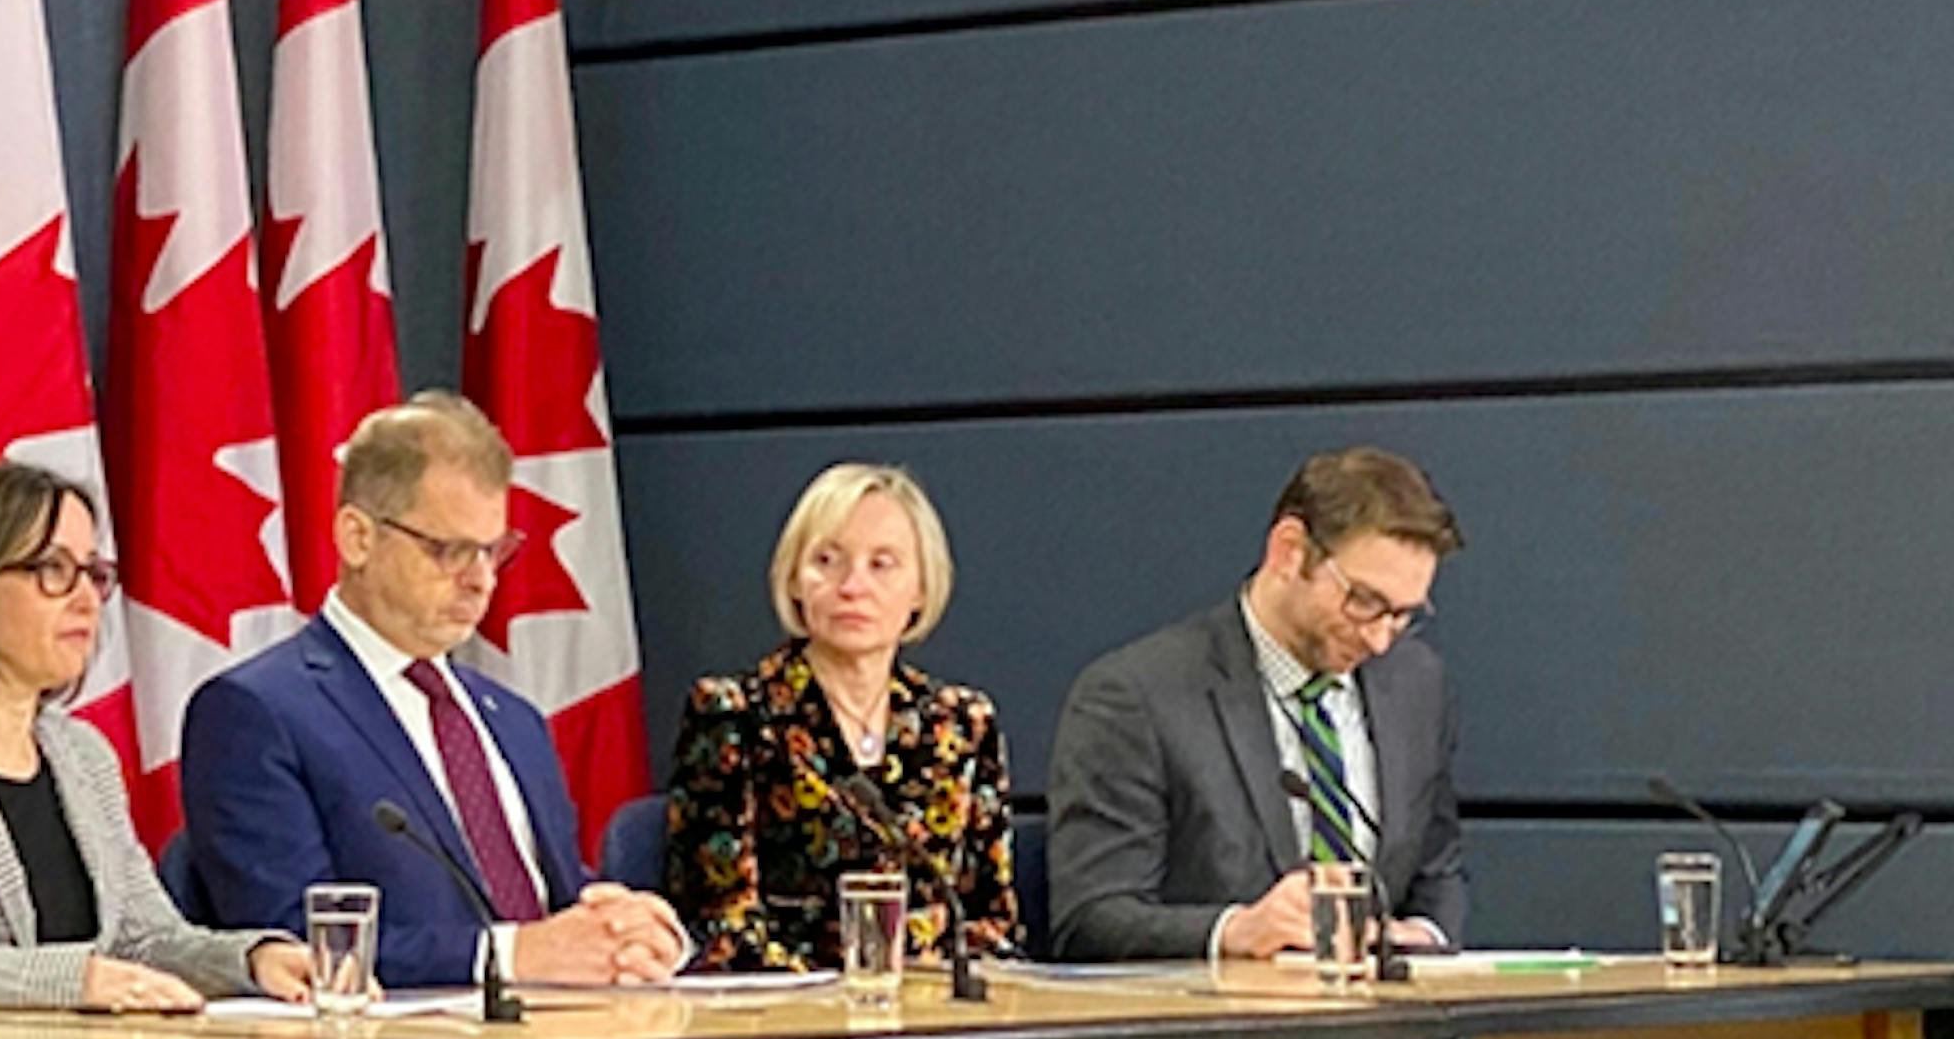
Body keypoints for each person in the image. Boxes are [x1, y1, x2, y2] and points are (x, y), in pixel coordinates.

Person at [178, 393, 686, 989]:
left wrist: (625, 934)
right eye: (448, 550)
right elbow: (295, 942)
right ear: (357, 537)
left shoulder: (512, 720)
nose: (480, 579)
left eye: (494, 551)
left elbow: (547, 906)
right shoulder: (256, 712)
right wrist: (507, 957)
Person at [0, 461, 315, 1012]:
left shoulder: (83, 755)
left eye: (93, 573)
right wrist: (71, 980)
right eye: (54, 570)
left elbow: (146, 940)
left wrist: (252, 959)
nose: (86, 599)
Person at [1045, 447, 1470, 961]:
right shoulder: (1136, 697)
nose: (1380, 639)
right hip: (1213, 1032)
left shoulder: (1416, 684)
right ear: (1289, 551)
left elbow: (1437, 871)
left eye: (1403, 614)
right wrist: (1236, 931)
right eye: (1364, 602)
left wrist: (1422, 934)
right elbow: (1090, 919)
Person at [670, 463, 1016, 971]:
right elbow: (718, 924)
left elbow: (993, 922)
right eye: (827, 561)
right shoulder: (733, 715)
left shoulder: (964, 724)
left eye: (883, 564)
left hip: (932, 1014)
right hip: (788, 1015)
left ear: (921, 587)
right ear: (793, 580)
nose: (852, 586)